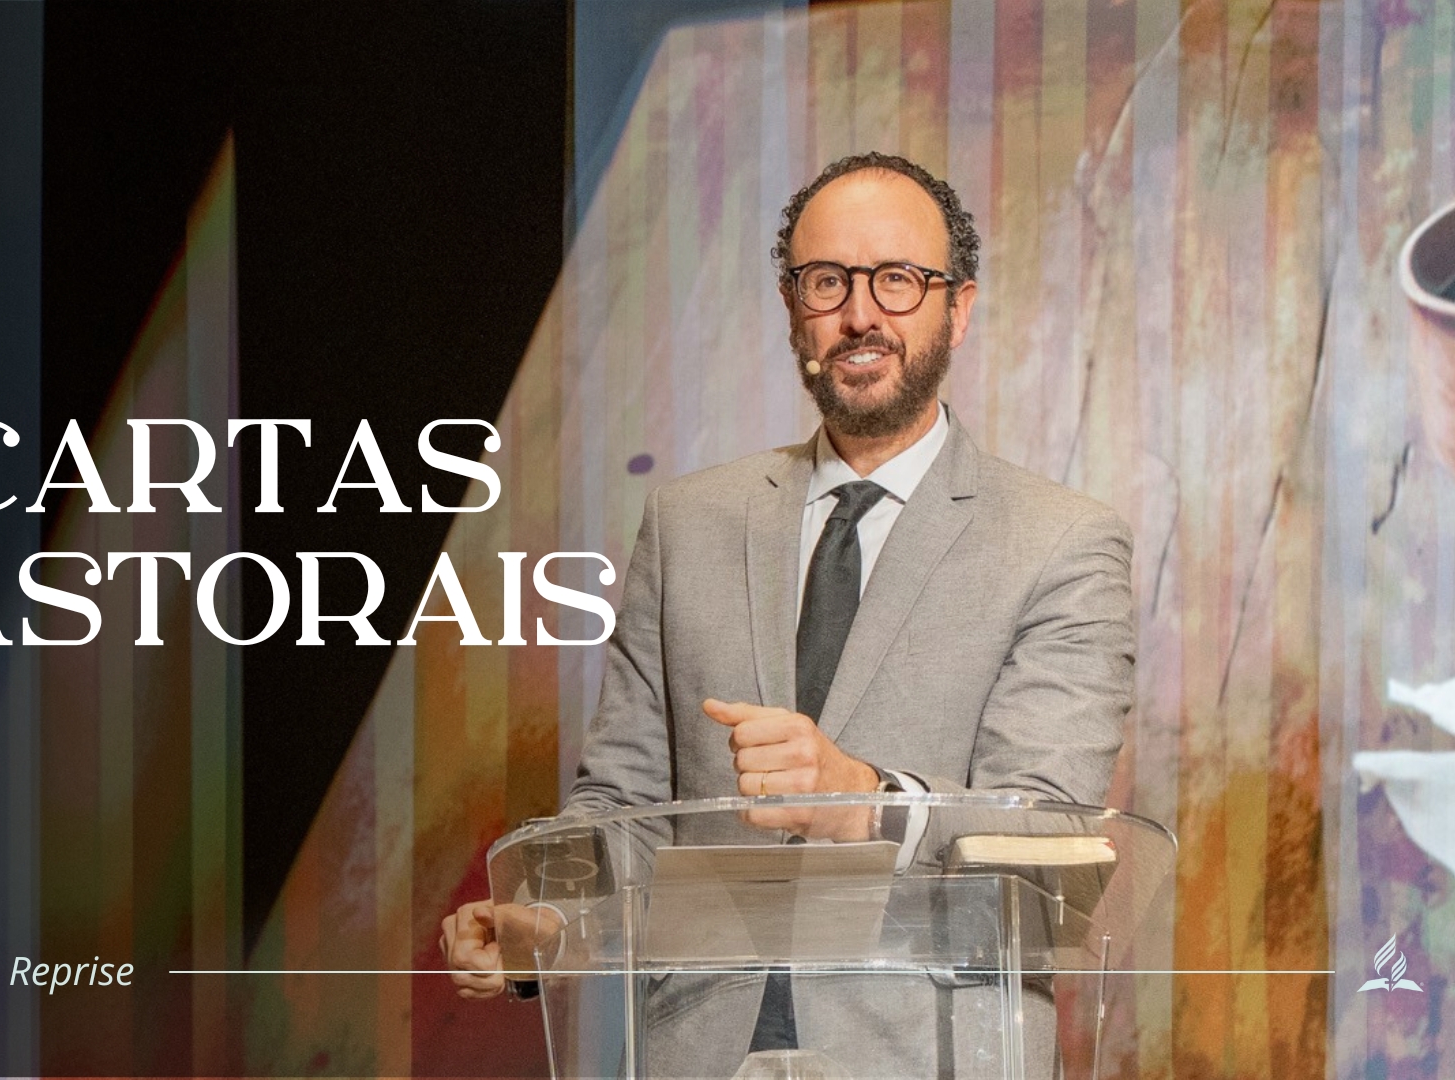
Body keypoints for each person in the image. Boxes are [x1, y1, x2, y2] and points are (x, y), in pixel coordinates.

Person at [441, 152, 1135, 1074]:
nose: (860, 314)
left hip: (930, 1057)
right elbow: (625, 806)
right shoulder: (688, 522)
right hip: (698, 1055)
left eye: (898, 279)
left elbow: (1048, 838)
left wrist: (866, 806)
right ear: (791, 307)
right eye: (827, 281)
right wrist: (550, 926)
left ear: (958, 308)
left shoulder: (1062, 541)